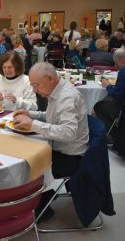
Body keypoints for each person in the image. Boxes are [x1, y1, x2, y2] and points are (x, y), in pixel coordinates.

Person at [13, 62, 88, 218]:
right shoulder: (56, 90)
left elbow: (68, 133)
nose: (34, 90)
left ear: (50, 79)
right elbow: (50, 117)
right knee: (23, 152)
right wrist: (30, 114)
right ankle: (42, 197)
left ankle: (41, 208)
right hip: (58, 148)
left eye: (36, 85)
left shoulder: (67, 97)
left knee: (25, 166)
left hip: (70, 157)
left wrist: (32, 124)